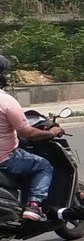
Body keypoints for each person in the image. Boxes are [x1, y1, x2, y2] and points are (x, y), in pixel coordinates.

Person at [0, 55, 63, 223]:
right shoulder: (6, 101)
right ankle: (34, 205)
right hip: (5, 158)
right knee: (44, 165)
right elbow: (29, 133)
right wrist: (52, 133)